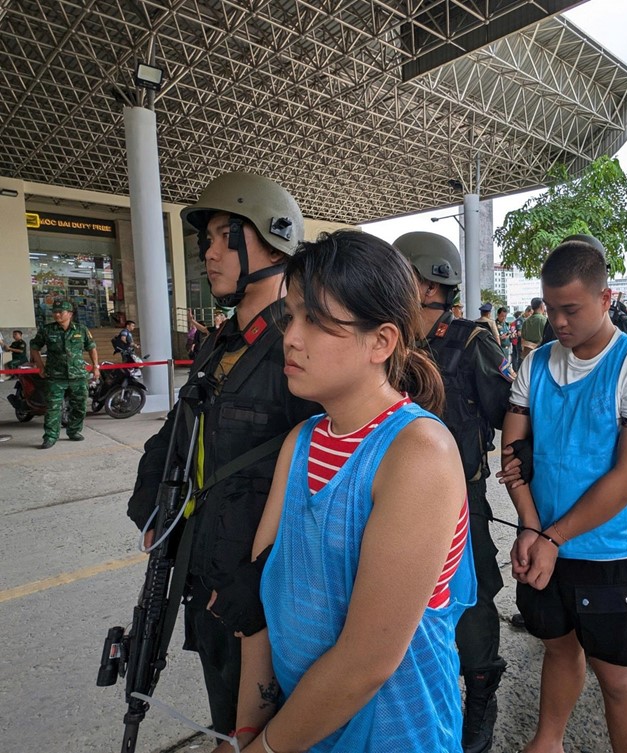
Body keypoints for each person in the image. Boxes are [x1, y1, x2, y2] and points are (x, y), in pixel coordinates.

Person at [218, 230, 474, 753]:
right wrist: (248, 730)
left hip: (395, 734)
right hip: (300, 731)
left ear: (381, 341)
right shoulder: (302, 441)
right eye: (291, 315)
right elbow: (260, 603)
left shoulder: (417, 452)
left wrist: (264, 750)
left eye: (316, 320)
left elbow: (367, 661)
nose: (290, 337)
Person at [126, 172, 322, 736]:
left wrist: (265, 575)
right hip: (207, 575)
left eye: (221, 237)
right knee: (227, 722)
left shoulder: (302, 343)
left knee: (281, 732)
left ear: (269, 239)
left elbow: (330, 478)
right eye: (205, 241)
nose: (208, 254)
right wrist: (151, 506)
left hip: (270, 593)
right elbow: (177, 433)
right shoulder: (218, 343)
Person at [500, 240, 627, 752]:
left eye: (570, 309)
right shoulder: (535, 366)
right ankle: (547, 740)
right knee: (557, 648)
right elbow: (514, 455)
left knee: (619, 677)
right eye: (550, 308)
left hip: (606, 552)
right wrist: (530, 526)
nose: (557, 321)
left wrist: (552, 535)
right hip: (543, 540)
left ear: (604, 299)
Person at [393, 231, 513, 753]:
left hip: (460, 502)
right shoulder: (388, 339)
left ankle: (481, 695)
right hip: (393, 500)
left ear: (426, 282)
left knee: (474, 600)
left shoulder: (469, 342)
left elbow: (506, 416)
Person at [29, 300, 100, 449]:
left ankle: (74, 431)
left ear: (70, 314)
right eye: (55, 312)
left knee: (80, 406)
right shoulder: (47, 330)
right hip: (55, 376)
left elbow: (91, 348)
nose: (57, 314)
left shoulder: (81, 329)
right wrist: (40, 366)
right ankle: (50, 437)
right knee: (53, 408)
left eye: (60, 312)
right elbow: (34, 347)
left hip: (78, 376)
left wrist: (95, 367)